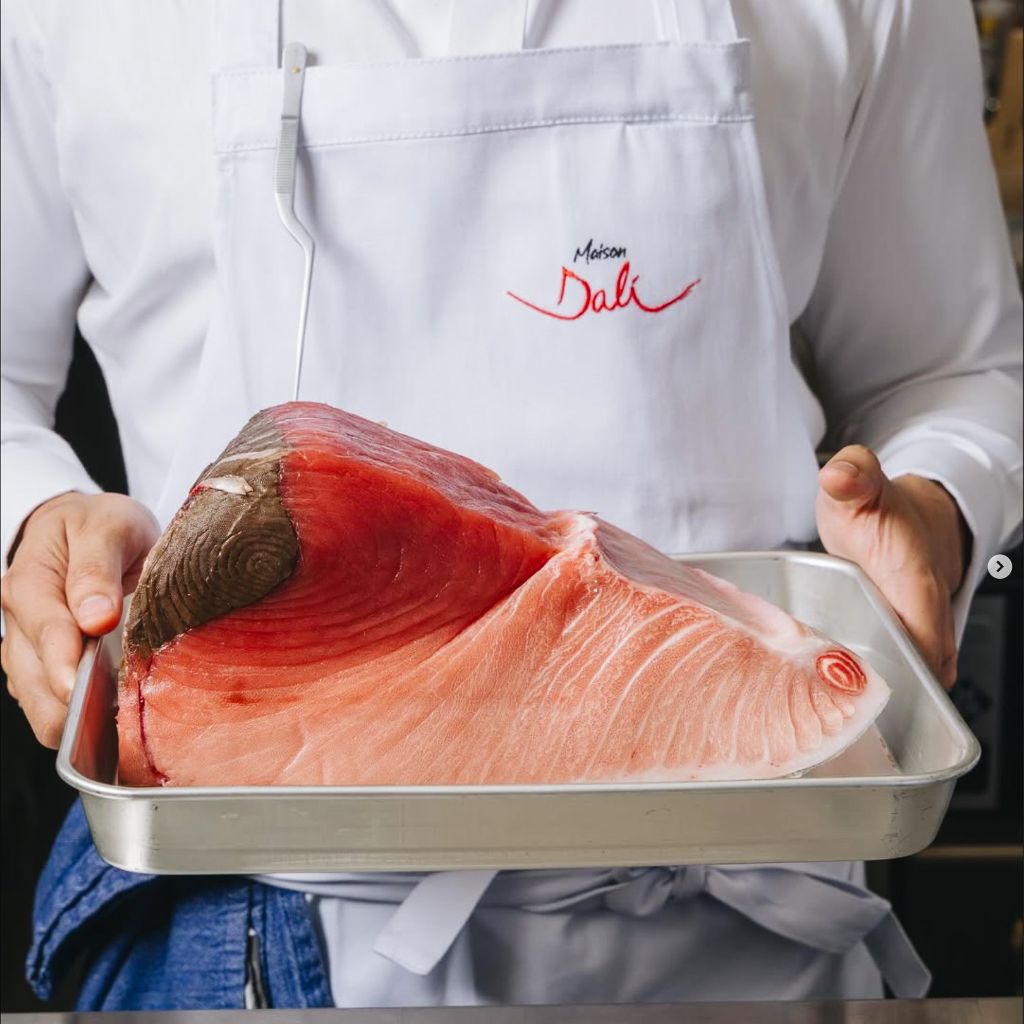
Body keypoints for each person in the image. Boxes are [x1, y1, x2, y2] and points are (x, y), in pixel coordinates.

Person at [2, 0, 1021, 1010]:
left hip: (757, 898)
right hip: (256, 930)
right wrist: (34, 518)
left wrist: (939, 505)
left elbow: (954, 364)